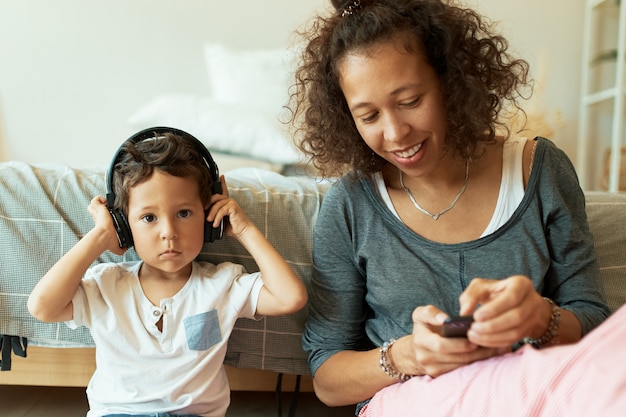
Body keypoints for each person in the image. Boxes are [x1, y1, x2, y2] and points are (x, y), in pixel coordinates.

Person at [288, 0, 612, 414]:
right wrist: (407, 357)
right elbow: (328, 381)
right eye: (368, 116)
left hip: (531, 394)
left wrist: (540, 319)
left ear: (451, 81)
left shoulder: (540, 171)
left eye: (409, 100)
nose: (395, 133)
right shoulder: (351, 204)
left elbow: (597, 325)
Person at [27, 130, 308, 417]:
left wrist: (245, 230)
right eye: (149, 218)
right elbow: (42, 307)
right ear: (124, 224)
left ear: (210, 213)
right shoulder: (106, 284)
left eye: (184, 213)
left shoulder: (223, 284)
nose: (169, 233)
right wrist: (100, 235)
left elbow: (290, 298)